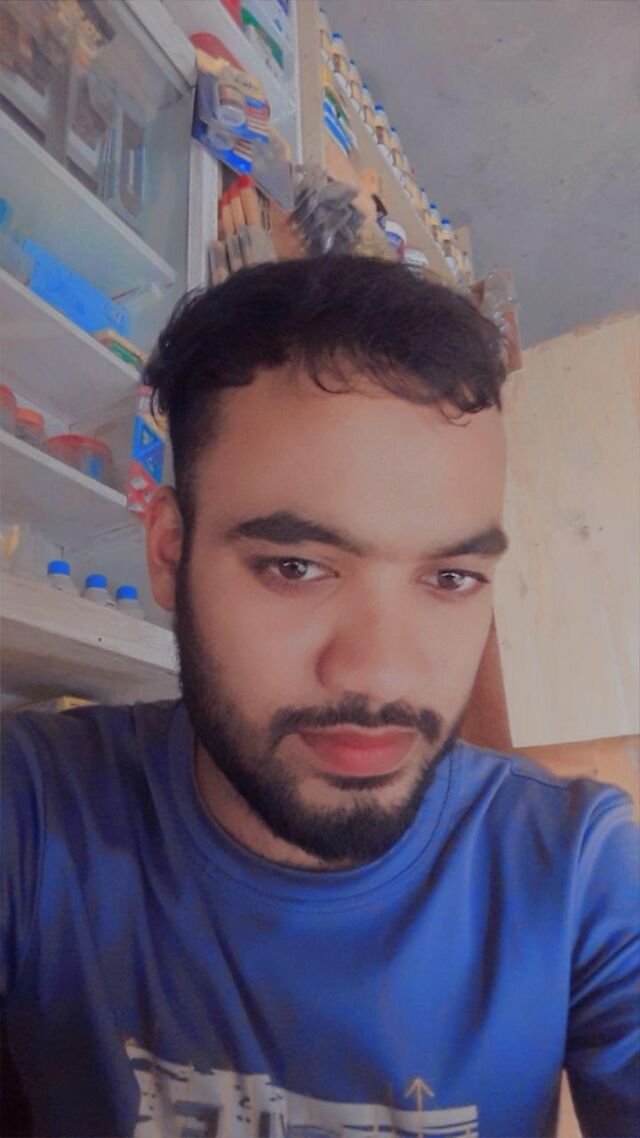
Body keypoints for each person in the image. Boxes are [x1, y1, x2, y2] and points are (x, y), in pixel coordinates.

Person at [1, 256, 638, 1138]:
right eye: (296, 568)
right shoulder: (35, 812)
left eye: (450, 576)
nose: (381, 673)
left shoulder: (580, 877)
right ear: (169, 552)